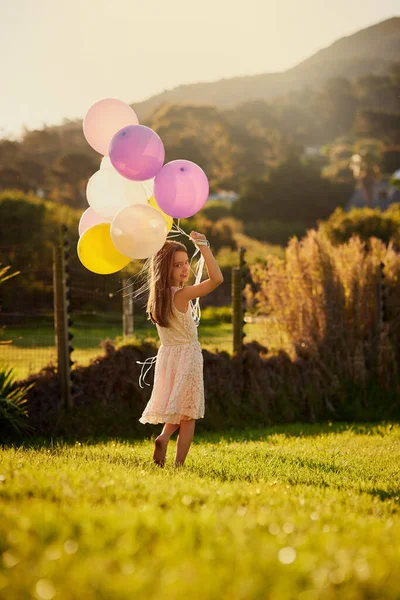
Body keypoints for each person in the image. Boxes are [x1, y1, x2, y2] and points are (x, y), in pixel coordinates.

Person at [139, 231, 224, 467]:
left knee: (178, 405)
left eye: (186, 262)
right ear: (165, 269)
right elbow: (216, 279)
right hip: (188, 356)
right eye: (178, 265)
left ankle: (164, 436)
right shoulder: (182, 294)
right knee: (189, 414)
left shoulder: (158, 298)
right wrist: (204, 246)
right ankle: (178, 466)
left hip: (168, 356)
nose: (185, 268)